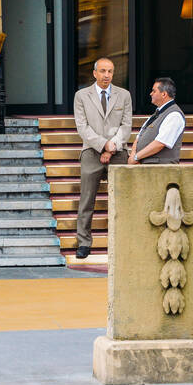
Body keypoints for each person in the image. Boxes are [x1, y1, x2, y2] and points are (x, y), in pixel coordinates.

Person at [72, 57, 132, 259]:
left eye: (110, 71)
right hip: (91, 150)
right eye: (103, 71)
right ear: (95, 73)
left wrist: (112, 146)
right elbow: (82, 127)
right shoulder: (82, 96)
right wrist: (102, 145)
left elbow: (126, 126)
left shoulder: (123, 95)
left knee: (123, 199)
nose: (107, 75)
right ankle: (84, 243)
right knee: (87, 200)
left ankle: (122, 241)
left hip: (118, 151)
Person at [128, 77, 185, 165]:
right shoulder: (157, 113)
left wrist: (136, 157)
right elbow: (138, 137)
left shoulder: (174, 115)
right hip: (147, 167)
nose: (151, 94)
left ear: (164, 94)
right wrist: (133, 156)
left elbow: (160, 144)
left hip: (160, 170)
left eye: (154, 91)